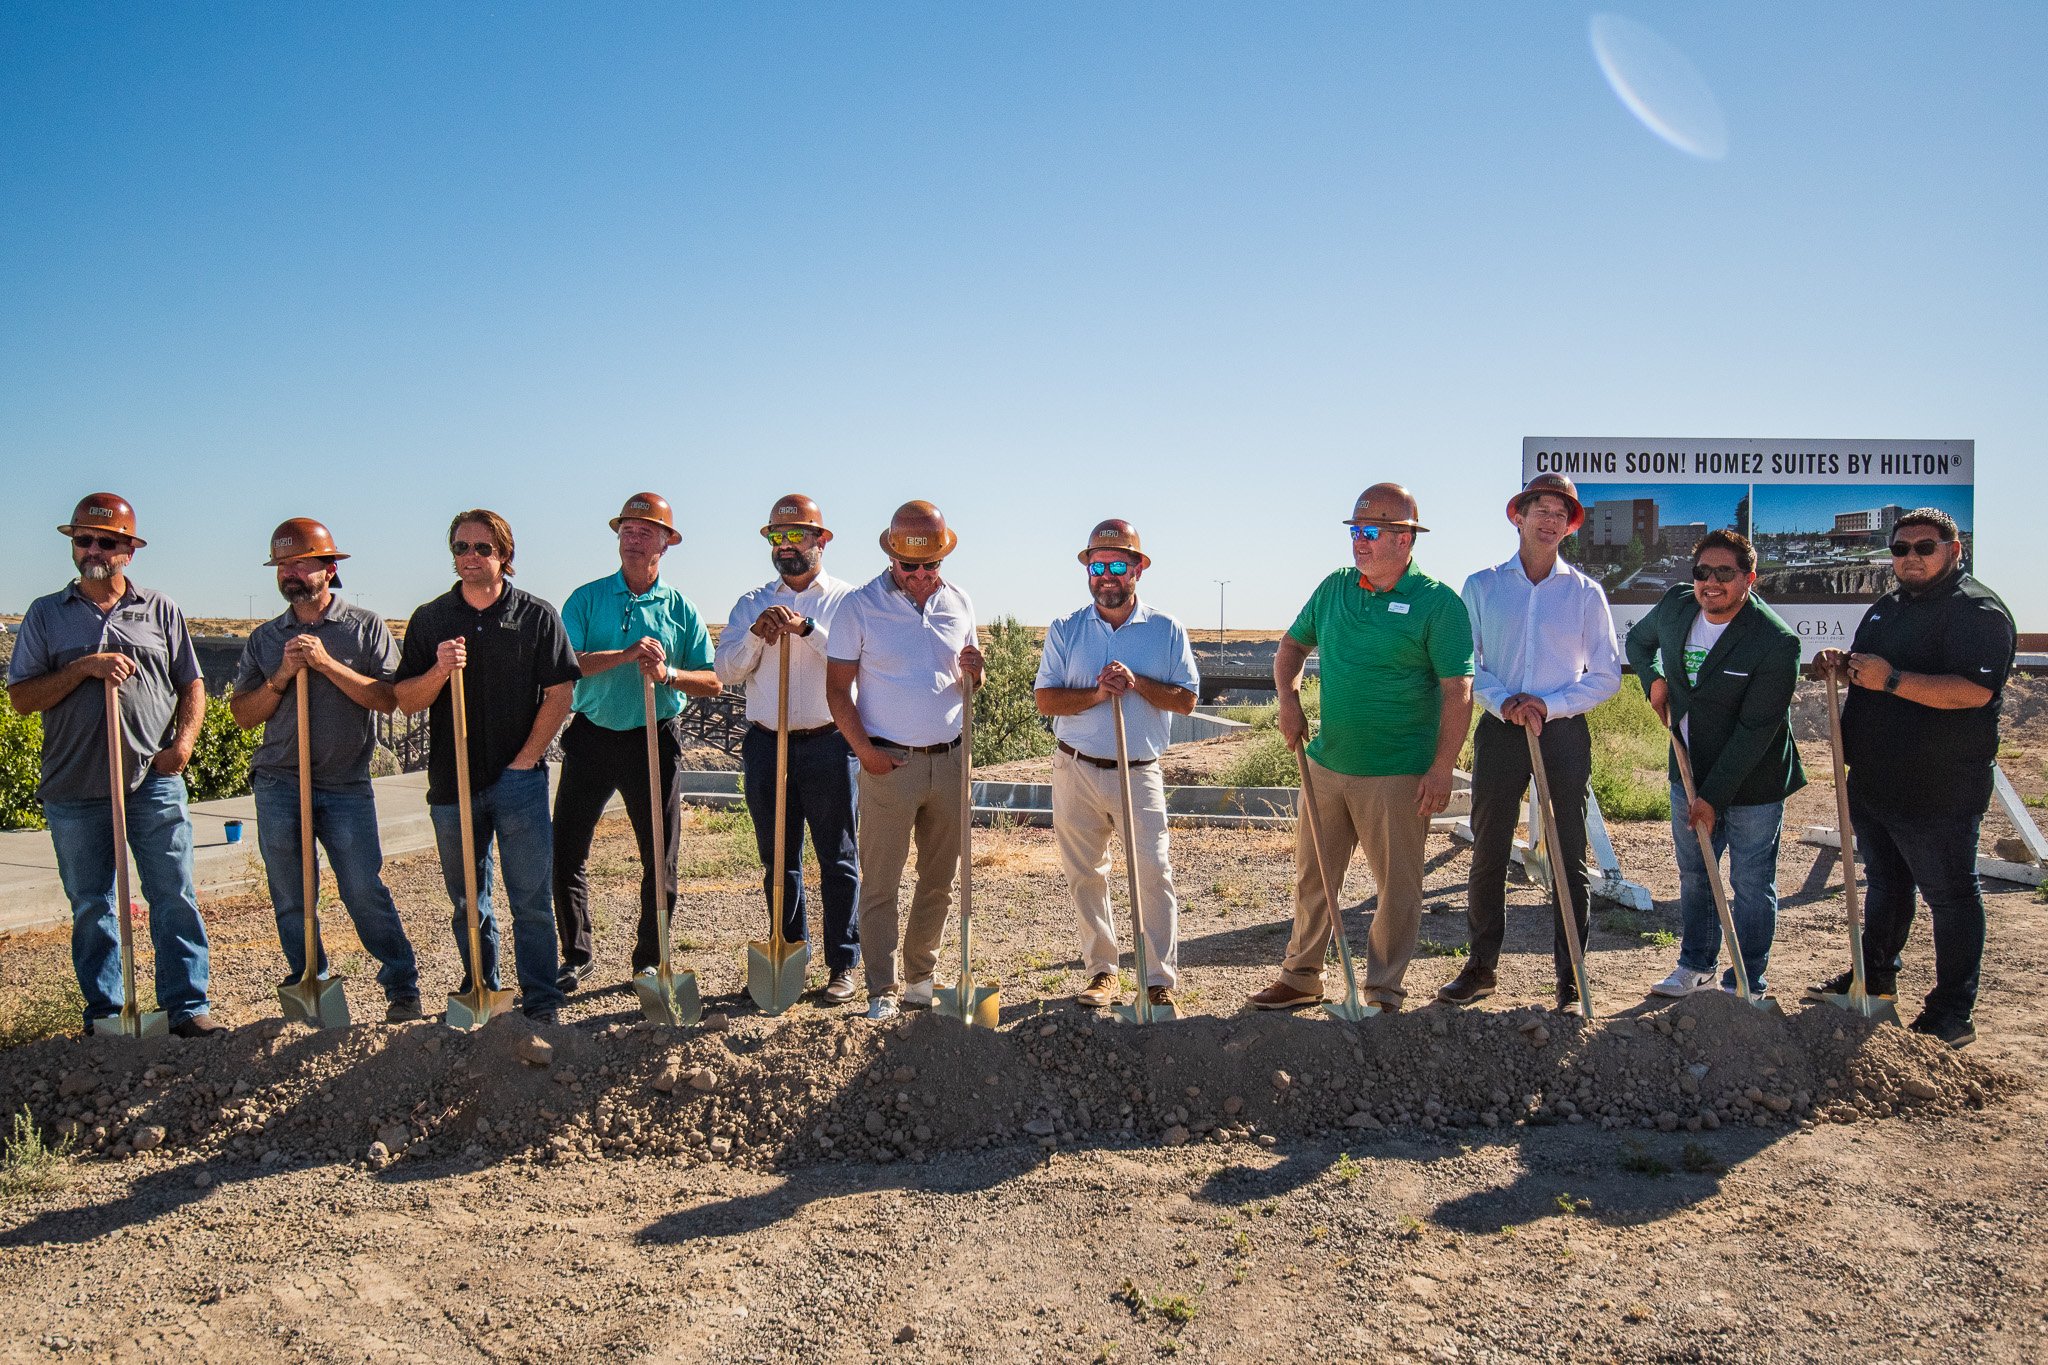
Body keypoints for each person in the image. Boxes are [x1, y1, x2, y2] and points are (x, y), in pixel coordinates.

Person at [1247, 484, 1474, 1014]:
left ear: (1404, 539)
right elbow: (1290, 648)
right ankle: (1301, 976)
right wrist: (1288, 700)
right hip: (1327, 766)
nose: (1359, 543)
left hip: (1397, 774)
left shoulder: (1438, 604)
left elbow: (1457, 690)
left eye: (1370, 532)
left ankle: (1382, 990)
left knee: (1397, 889)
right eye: (1355, 531)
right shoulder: (1335, 589)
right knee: (1314, 877)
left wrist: (1442, 768)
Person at [7, 494, 221, 1037]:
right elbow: (23, 698)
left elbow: (191, 683)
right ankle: (107, 1015)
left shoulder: (160, 609)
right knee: (92, 905)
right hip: (74, 785)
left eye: (106, 541)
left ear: (129, 550)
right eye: (83, 540)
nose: (92, 550)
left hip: (152, 780)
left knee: (173, 895)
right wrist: (83, 667)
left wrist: (184, 744)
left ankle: (187, 1008)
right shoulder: (44, 614)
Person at [1811, 508, 2015, 1047]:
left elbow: (1975, 691)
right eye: (1901, 550)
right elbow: (1870, 670)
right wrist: (1843, 662)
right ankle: (1873, 981)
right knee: (1887, 883)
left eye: (1924, 548)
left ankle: (1953, 1012)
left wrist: (1893, 679)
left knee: (1949, 896)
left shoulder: (1978, 611)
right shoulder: (1888, 607)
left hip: (1939, 784)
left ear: (1954, 550)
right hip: (1877, 779)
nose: (1911, 558)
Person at [230, 518, 422, 1022]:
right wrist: (283, 675)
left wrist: (328, 666)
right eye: (282, 565)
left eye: (300, 563)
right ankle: (308, 981)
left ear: (329, 568)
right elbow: (243, 714)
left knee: (363, 887)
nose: (290, 573)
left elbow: (390, 700)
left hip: (344, 784)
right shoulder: (267, 638)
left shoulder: (364, 627)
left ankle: (401, 985)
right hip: (279, 783)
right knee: (293, 895)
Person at [1442, 474, 1621, 1009]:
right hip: (1500, 731)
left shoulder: (1587, 594)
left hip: (1562, 733)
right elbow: (1466, 661)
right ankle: (1480, 968)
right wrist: (1506, 702)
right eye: (1538, 508)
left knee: (1570, 854)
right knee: (1489, 850)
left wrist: (1550, 703)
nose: (1548, 519)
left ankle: (1571, 976)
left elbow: (1607, 674)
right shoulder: (1482, 585)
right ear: (1517, 516)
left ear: (1569, 526)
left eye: (1559, 512)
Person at [394, 509, 580, 1024]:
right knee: (468, 903)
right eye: (460, 548)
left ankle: (541, 1000)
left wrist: (525, 762)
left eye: (481, 548)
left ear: (504, 555)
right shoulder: (431, 619)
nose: (469, 558)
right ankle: (481, 987)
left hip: (518, 783)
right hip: (453, 785)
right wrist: (438, 669)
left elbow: (560, 694)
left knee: (532, 901)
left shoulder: (538, 616)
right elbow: (405, 700)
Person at [552, 493, 721, 993]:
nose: (633, 537)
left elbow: (710, 681)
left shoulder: (680, 608)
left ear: (666, 543)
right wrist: (626, 655)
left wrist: (668, 673)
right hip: (592, 736)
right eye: (627, 528)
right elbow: (568, 663)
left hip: (654, 739)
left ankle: (650, 959)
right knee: (565, 851)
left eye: (646, 530)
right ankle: (576, 955)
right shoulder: (586, 599)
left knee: (660, 856)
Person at [1626, 529, 1803, 1001]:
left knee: (1749, 883)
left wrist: (1711, 799)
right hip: (1688, 767)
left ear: (1750, 578)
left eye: (1725, 573)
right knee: (1696, 874)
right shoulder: (1676, 607)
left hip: (1752, 781)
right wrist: (1653, 682)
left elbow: (1755, 732)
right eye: (1703, 572)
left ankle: (1745, 980)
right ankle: (1696, 965)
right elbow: (1638, 645)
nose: (1711, 583)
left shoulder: (1775, 642)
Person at [825, 500, 983, 1021]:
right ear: (891, 554)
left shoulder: (960, 602)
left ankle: (920, 977)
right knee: (880, 883)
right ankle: (881, 989)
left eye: (929, 565)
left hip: (951, 761)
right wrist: (865, 753)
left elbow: (966, 682)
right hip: (888, 763)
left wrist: (975, 672)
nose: (918, 576)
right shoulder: (859, 606)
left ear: (943, 560)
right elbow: (836, 692)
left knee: (938, 879)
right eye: (908, 565)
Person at [1035, 519, 1199, 1010]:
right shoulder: (1066, 629)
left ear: (1137, 571)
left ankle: (1157, 980)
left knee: (1153, 872)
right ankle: (1103, 972)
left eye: (1117, 566)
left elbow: (1187, 700)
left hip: (1139, 770)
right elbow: (1046, 700)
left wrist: (1138, 683)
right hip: (1076, 768)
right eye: (1097, 566)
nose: (1106, 575)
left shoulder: (1166, 630)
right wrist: (1097, 692)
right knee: (1086, 874)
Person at [715, 494, 861, 1004]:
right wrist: (758, 637)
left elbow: (856, 663)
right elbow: (726, 671)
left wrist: (806, 629)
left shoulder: (847, 601)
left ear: (822, 540)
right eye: (777, 537)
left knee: (838, 857)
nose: (786, 546)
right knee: (779, 858)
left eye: (797, 535)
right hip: (766, 743)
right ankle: (788, 954)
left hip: (828, 742)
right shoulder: (750, 602)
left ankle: (843, 963)